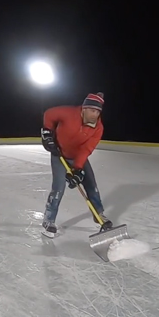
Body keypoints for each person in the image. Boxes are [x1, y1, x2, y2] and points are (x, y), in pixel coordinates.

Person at [40, 92, 112, 238]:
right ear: (84, 109)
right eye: (92, 110)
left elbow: (86, 149)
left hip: (78, 157)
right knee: (58, 188)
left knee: (91, 185)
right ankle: (49, 220)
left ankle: (99, 215)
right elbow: (49, 114)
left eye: (98, 112)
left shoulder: (98, 128)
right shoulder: (68, 113)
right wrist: (47, 132)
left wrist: (78, 169)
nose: (95, 115)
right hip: (58, 154)